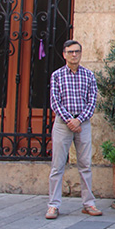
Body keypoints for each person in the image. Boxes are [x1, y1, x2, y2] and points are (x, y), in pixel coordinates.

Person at [46, 40, 101, 219]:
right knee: (57, 165)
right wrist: (69, 120)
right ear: (64, 54)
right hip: (63, 124)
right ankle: (53, 205)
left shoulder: (89, 75)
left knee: (85, 165)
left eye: (77, 51)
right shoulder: (57, 76)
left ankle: (88, 203)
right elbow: (55, 101)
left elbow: (92, 101)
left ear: (81, 53)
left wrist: (79, 120)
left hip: (82, 123)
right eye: (70, 52)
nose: (74, 55)